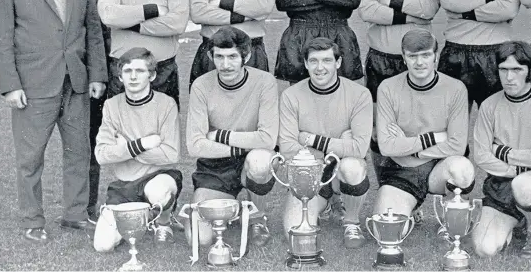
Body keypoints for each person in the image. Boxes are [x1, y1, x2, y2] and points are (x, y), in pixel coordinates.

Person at [0, 0, 107, 243]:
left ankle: (75, 215)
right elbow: (1, 39)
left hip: (76, 82)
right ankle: (33, 219)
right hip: (33, 85)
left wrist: (97, 74)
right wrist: (10, 86)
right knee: (30, 159)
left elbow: (94, 33)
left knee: (79, 152)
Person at [65, 0, 133, 225]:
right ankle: (86, 208)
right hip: (86, 66)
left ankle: (134, 204)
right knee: (88, 136)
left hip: (130, 63)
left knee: (132, 130)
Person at [372, 29, 474, 236]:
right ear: (403, 58)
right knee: (385, 232)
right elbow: (387, 145)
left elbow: (457, 145)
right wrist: (434, 137)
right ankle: (410, 206)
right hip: (401, 169)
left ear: (436, 56)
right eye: (412, 56)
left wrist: (412, 148)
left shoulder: (455, 88)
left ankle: (449, 217)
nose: (419, 63)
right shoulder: (388, 88)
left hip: (439, 167)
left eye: (426, 55)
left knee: (462, 169)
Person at [185, 26, 279, 247]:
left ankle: (257, 217)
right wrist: (241, 144)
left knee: (259, 160)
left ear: (246, 56)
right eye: (219, 57)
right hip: (215, 166)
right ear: (210, 56)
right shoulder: (201, 85)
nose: (225, 65)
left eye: (232, 57)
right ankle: (230, 208)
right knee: (199, 240)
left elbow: (267, 139)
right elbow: (196, 145)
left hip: (250, 159)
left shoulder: (265, 82)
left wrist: (219, 135)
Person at [471, 41, 531, 259]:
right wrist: (516, 170)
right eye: (503, 70)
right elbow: (482, 156)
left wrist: (502, 152)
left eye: (517, 70)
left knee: (524, 184)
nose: (509, 77)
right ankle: (519, 221)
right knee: (484, 249)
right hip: (502, 181)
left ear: (529, 71)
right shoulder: (489, 105)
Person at [279, 37, 372, 248]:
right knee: (294, 234)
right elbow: (287, 147)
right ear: (305, 63)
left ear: (338, 63)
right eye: (313, 61)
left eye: (327, 61)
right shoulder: (290, 95)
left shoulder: (359, 94)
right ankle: (326, 204)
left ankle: (351, 221)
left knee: (352, 166)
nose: (320, 68)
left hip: (341, 169)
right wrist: (337, 145)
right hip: (309, 173)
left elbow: (359, 148)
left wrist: (311, 139)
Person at [93, 48, 182, 250]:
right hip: (125, 185)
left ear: (151, 75)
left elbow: (171, 154)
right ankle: (140, 218)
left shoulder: (166, 104)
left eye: (140, 71)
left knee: (158, 192)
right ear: (120, 76)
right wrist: (141, 144)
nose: (133, 76)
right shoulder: (111, 106)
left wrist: (125, 147)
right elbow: (101, 155)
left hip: (158, 177)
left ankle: (163, 223)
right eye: (127, 71)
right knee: (103, 246)